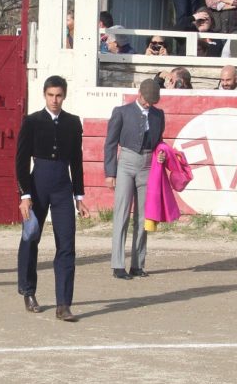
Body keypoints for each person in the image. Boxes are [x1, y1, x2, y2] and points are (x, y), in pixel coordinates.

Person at [16, 75, 90, 322]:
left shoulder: (72, 123)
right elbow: (21, 160)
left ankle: (63, 304)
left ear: (64, 96)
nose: (55, 100)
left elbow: (77, 162)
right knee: (31, 237)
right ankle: (28, 290)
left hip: (62, 187)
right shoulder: (32, 121)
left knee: (67, 244)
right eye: (51, 95)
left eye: (59, 95)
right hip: (37, 185)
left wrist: (79, 196)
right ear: (45, 95)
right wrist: (25, 195)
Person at [104, 78, 166, 280]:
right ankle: (118, 264)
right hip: (126, 163)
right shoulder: (121, 112)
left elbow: (160, 142)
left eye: (152, 101)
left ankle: (138, 264)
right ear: (139, 94)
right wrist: (110, 173)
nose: (149, 104)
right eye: (147, 100)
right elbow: (111, 144)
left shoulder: (159, 115)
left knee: (143, 216)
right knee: (121, 214)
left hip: (149, 164)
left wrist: (162, 153)